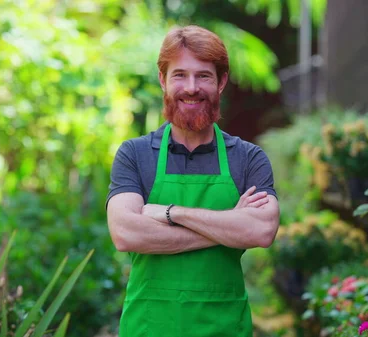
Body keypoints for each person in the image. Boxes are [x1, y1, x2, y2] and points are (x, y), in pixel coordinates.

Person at [106, 25, 280, 337]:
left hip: (224, 327)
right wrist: (229, 227)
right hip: (149, 327)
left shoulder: (248, 158)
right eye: (180, 75)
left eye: (203, 76)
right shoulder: (135, 155)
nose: (191, 87)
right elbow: (125, 233)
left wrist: (173, 213)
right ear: (163, 80)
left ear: (221, 82)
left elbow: (262, 230)